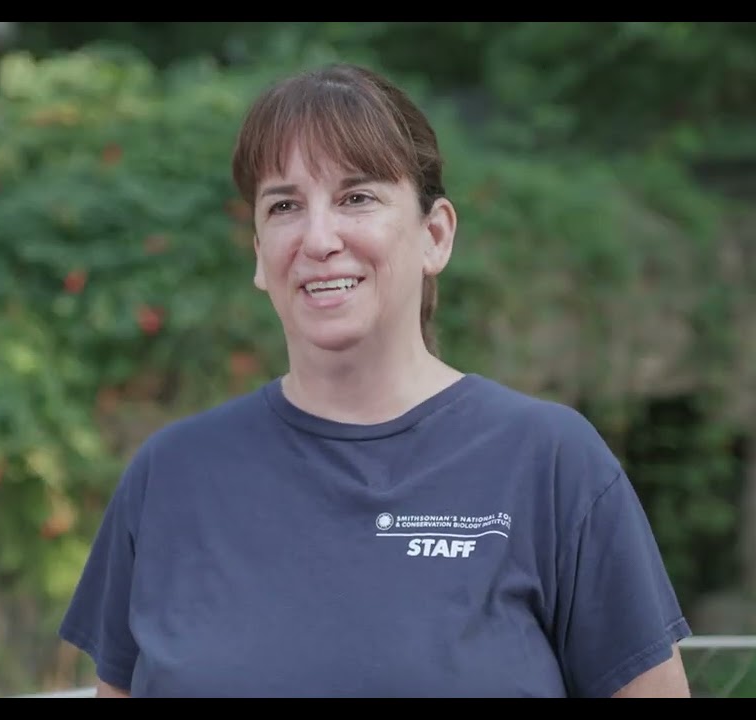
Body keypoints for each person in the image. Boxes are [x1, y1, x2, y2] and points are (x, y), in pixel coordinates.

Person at [56, 61, 694, 698]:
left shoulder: (551, 463)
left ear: (435, 235)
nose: (319, 238)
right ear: (258, 253)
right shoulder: (171, 477)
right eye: (284, 206)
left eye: (356, 197)